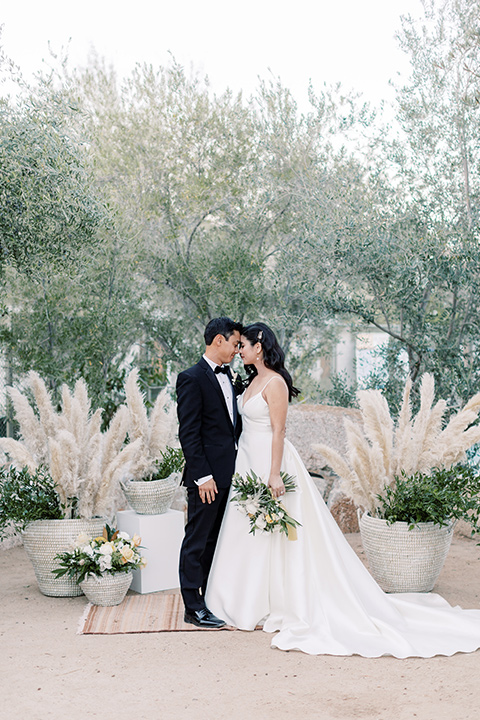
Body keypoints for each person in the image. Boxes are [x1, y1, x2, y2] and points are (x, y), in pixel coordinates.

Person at [206, 322, 480, 657]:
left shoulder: (275, 383)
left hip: (269, 462)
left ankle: (275, 600)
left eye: (243, 345)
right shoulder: (250, 381)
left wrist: (274, 474)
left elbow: (279, 431)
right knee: (250, 532)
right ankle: (244, 599)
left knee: (280, 533)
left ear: (258, 347)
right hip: (247, 461)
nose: (239, 350)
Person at [176, 316, 243, 628]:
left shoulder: (230, 376)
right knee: (197, 540)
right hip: (207, 479)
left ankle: (209, 598)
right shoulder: (191, 378)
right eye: (234, 343)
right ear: (219, 340)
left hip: (229, 474)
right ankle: (192, 607)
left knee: (216, 540)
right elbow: (188, 433)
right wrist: (202, 476)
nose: (236, 349)